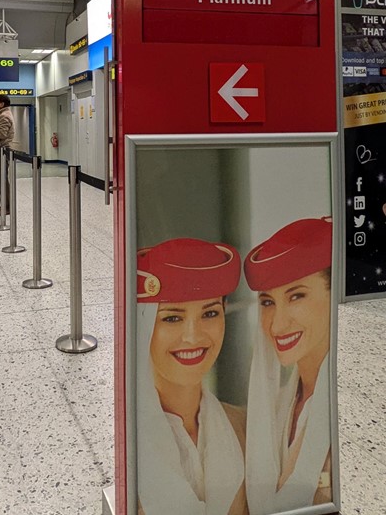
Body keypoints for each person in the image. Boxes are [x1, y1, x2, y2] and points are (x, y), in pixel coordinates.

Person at [136, 238, 247, 515]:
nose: (193, 336)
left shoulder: (245, 427)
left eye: (210, 313)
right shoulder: (126, 439)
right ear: (143, 324)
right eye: (172, 318)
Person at [243, 217, 333, 514]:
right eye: (268, 302)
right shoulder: (278, 403)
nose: (278, 324)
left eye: (296, 296)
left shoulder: (357, 401)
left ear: (334, 295)